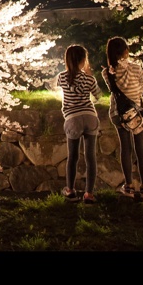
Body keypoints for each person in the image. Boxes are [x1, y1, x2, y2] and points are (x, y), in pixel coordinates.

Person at [102, 36, 143, 200]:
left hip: (120, 114)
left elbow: (114, 91)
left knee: (126, 149)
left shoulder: (107, 72)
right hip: (137, 114)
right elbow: (140, 90)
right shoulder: (136, 68)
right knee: (141, 149)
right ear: (125, 51)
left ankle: (129, 186)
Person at [57, 44, 101, 203]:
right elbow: (98, 97)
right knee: (91, 158)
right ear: (84, 60)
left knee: (73, 156)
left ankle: (70, 190)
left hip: (72, 118)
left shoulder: (62, 77)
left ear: (67, 60)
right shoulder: (89, 78)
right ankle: (89, 194)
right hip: (90, 116)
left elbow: (66, 89)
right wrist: (90, 77)